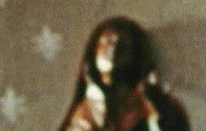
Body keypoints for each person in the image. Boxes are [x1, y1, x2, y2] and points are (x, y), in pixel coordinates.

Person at [59, 17, 191, 131]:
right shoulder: (89, 107)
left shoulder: (153, 104)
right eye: (106, 42)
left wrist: (153, 110)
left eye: (120, 44)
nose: (112, 50)